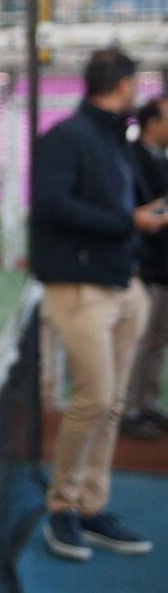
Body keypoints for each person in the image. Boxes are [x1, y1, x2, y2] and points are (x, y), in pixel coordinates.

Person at [33, 49, 168, 561]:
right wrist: (129, 222)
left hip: (123, 287)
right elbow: (51, 205)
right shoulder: (67, 138)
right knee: (93, 400)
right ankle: (62, 508)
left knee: (110, 406)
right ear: (123, 86)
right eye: (136, 84)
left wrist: (137, 223)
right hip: (80, 291)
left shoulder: (117, 142)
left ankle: (91, 506)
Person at [123, 95, 168, 439]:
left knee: (156, 341)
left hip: (162, 268)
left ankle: (146, 403)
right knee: (138, 341)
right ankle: (128, 410)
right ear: (152, 123)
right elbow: (141, 211)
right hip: (143, 268)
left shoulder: (161, 159)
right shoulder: (130, 158)